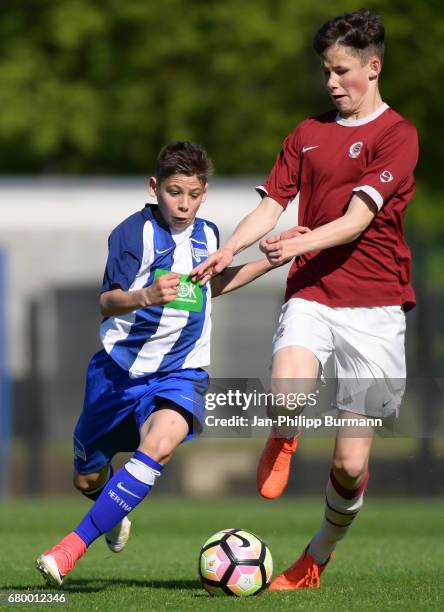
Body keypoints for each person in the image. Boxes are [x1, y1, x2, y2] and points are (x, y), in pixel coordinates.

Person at [193, 9, 418, 590]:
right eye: (326, 71)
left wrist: (292, 244)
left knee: (349, 465)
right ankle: (283, 434)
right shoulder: (307, 134)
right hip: (313, 292)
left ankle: (316, 556)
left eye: (342, 71)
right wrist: (230, 248)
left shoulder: (398, 135)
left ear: (373, 68)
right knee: (287, 393)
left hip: (376, 307)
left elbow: (354, 222)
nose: (331, 83)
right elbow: (271, 206)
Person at [36, 141, 278, 587]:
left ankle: (69, 549)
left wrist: (272, 259)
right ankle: (108, 507)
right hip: (117, 375)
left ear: (204, 192)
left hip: (180, 372)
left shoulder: (208, 234)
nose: (183, 204)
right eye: (173, 192)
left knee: (160, 445)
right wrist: (144, 295)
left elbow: (212, 287)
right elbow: (107, 302)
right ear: (155, 187)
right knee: (87, 478)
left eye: (193, 193)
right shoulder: (132, 234)